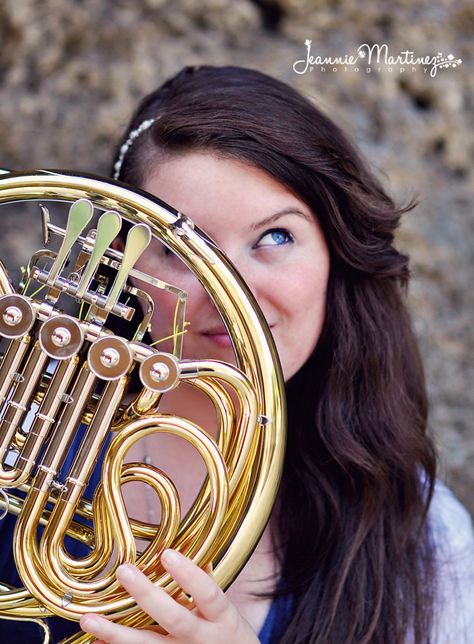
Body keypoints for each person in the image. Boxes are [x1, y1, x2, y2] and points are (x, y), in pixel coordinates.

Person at [0, 65, 472, 643]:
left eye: (275, 237)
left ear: (335, 254)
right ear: (122, 259)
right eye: (181, 247)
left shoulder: (429, 541)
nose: (232, 293)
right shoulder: (14, 430)